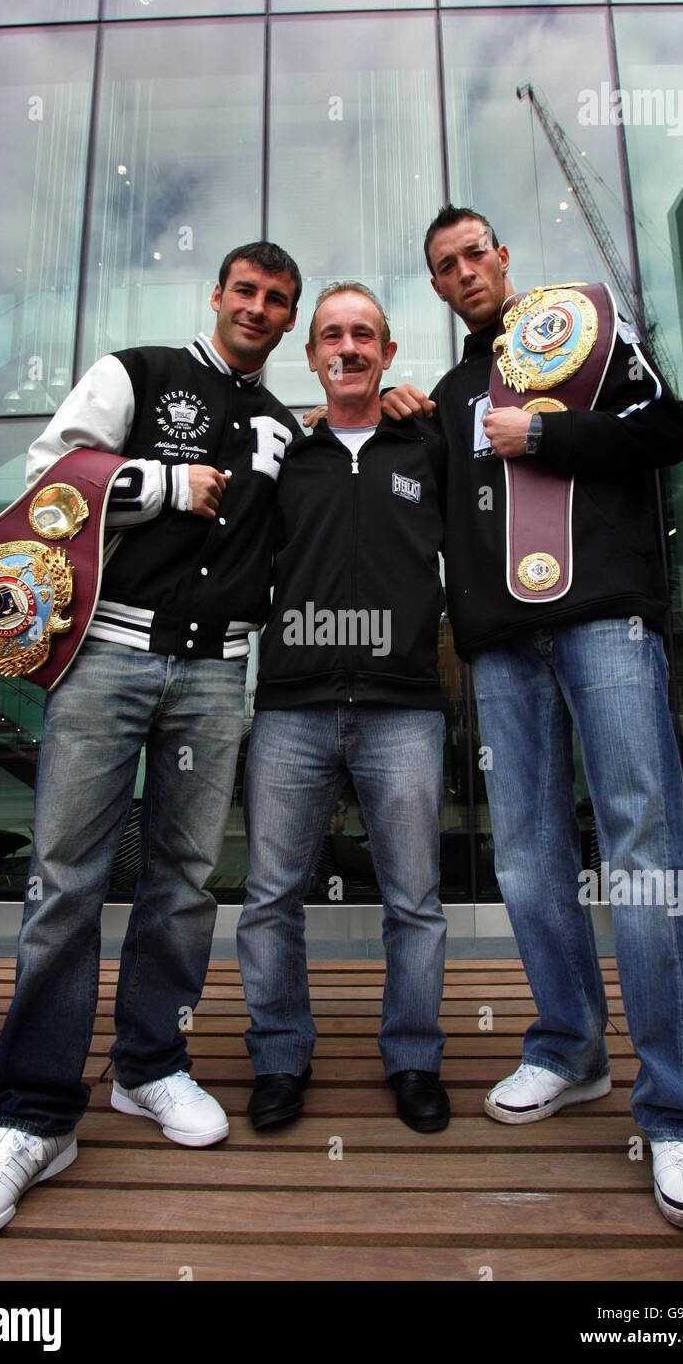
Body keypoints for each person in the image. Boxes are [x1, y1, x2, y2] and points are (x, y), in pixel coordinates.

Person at [0, 241, 303, 1248]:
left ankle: (147, 1065)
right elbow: (52, 475)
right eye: (247, 292)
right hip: (109, 655)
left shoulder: (280, 424)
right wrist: (161, 486)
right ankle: (33, 1117)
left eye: (278, 301)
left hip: (220, 671)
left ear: (288, 317)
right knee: (65, 879)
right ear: (217, 294)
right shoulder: (138, 370)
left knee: (183, 879)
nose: (259, 310)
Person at [382, 204, 683, 1231]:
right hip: (500, 647)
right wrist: (388, 410)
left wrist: (547, 432)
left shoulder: (588, 337)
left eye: (474, 253)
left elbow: (667, 433)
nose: (463, 272)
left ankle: (680, 1116)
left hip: (605, 625)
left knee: (643, 849)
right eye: (443, 266)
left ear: (502, 256)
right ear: (440, 286)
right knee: (532, 857)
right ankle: (568, 1050)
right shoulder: (448, 394)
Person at [236, 281, 451, 1134]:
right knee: (268, 897)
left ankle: (413, 1059)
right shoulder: (289, 455)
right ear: (312, 354)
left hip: (403, 708)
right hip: (291, 705)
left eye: (364, 335)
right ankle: (280, 1058)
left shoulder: (426, 446)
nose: (349, 348)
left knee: (414, 901)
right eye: (332, 335)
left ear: (388, 352)